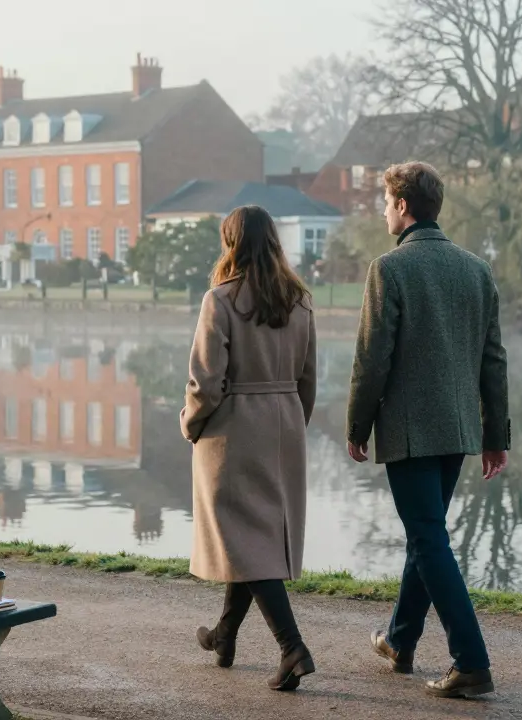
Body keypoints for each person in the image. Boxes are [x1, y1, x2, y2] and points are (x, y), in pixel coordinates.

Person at [346, 161, 511, 698]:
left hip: (412, 433)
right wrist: (494, 436)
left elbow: (372, 359)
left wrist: (357, 424)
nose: (383, 211)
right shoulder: (476, 269)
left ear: (402, 207)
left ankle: (471, 661)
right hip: (459, 430)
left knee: (428, 538)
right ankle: (400, 641)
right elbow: (493, 360)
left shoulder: (389, 268)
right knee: (427, 534)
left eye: (386, 202)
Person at [181, 205, 318, 691]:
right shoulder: (300, 300)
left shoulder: (219, 300)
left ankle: (291, 648)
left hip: (234, 429)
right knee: (253, 534)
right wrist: (293, 426)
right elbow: (308, 379)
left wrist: (190, 425)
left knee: (244, 537)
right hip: (284, 425)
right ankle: (224, 635)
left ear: (231, 242)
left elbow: (206, 382)